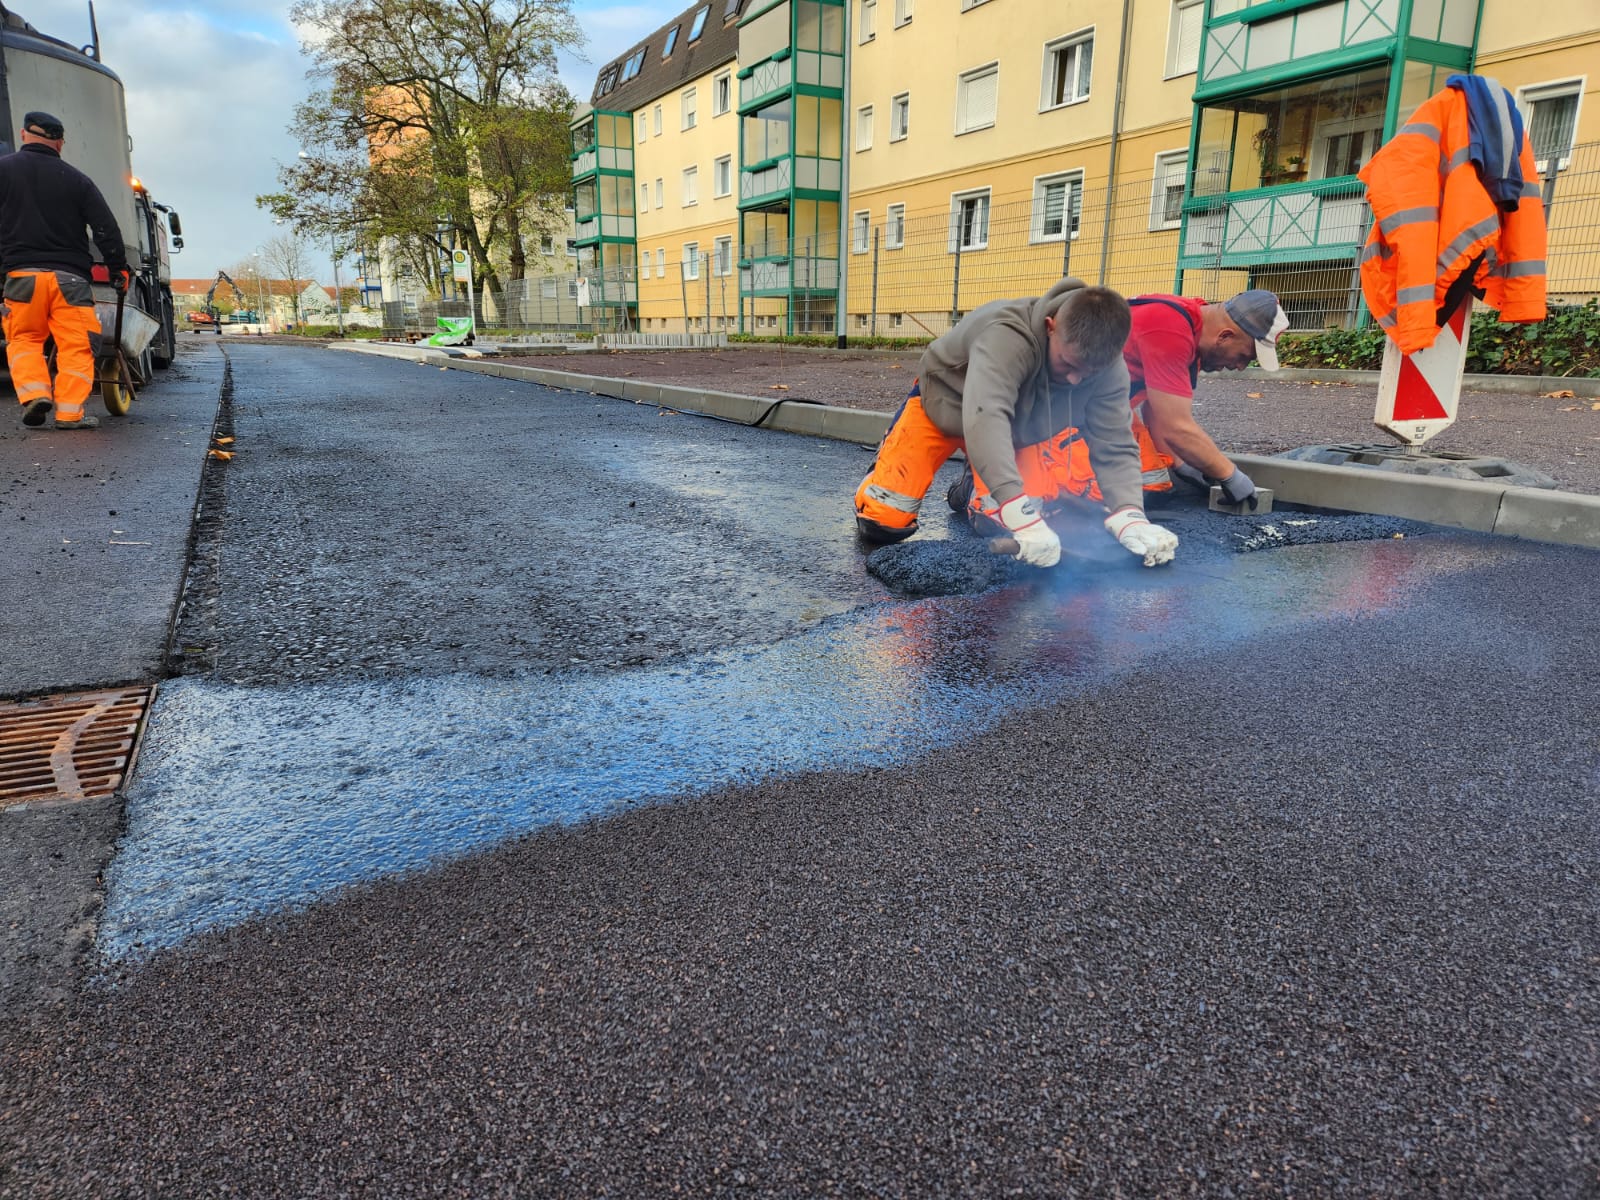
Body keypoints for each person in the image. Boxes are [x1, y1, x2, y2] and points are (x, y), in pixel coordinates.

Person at [853, 278, 1179, 569]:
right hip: (943, 407)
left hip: (1011, 433)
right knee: (885, 519)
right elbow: (987, 417)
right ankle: (881, 473)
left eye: (1088, 372)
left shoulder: (1107, 367)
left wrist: (1129, 514)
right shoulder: (1007, 335)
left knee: (1007, 525)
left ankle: (971, 487)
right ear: (1051, 327)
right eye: (1068, 364)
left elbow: (1115, 445)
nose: (1076, 379)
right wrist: (1014, 504)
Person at [948, 289, 1290, 521]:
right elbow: (1177, 426)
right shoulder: (1171, 330)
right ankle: (980, 490)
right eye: (1245, 356)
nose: (1241, 366)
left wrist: (1184, 465)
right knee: (1073, 497)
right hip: (1048, 411)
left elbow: (1159, 412)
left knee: (1151, 484)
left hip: (1096, 411)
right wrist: (1230, 475)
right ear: (1226, 336)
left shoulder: (1193, 327)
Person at [0, 110, 129, 430]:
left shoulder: (3, 171)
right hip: (71, 280)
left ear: (24, 134)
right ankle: (70, 413)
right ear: (59, 143)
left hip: (22, 277)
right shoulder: (77, 179)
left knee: (24, 340)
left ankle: (35, 395)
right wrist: (117, 268)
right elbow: (106, 228)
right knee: (77, 344)